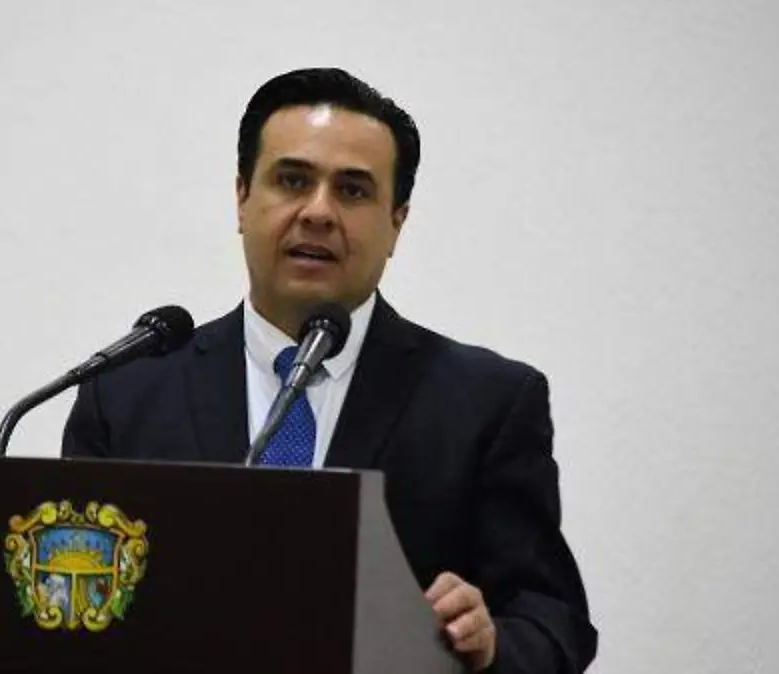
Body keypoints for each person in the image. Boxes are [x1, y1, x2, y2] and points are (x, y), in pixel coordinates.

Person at [62, 67, 597, 673]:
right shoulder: (126, 393)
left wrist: (491, 643)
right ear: (241, 198)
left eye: (353, 191)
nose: (318, 212)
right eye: (292, 181)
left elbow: (553, 623)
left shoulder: (486, 403)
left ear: (396, 223)